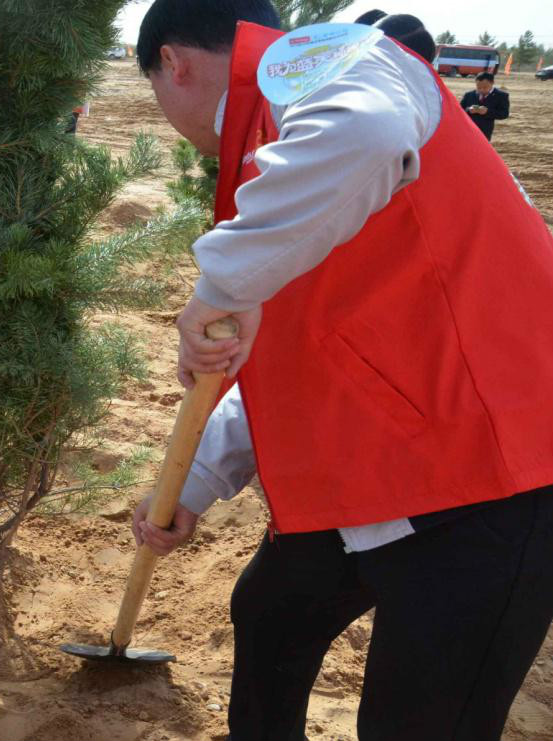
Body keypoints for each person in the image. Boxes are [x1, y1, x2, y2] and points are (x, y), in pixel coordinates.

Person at [130, 1, 553, 739]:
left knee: (415, 723)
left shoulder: (337, 68)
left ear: (173, 63)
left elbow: (368, 131)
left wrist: (222, 280)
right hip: (381, 458)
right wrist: (196, 480)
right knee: (270, 613)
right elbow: (303, 351)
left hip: (494, 478)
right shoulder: (282, 155)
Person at [461, 72, 510, 141]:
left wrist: (487, 112)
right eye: (479, 87)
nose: (481, 90)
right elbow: (459, 110)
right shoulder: (469, 95)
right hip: (467, 130)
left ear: (492, 83)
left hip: (485, 132)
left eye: (485, 87)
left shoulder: (501, 96)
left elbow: (504, 114)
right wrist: (469, 109)